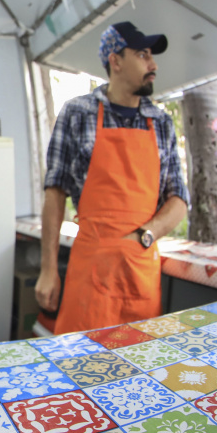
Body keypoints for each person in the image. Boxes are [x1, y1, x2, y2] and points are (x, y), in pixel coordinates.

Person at [35, 21, 189, 335]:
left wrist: (146, 234)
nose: (153, 64)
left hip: (140, 270)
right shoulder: (77, 113)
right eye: (143, 55)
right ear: (115, 61)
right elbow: (54, 194)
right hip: (90, 269)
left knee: (137, 368)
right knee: (79, 366)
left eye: (151, 56)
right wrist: (48, 269)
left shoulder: (160, 122)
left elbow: (179, 200)